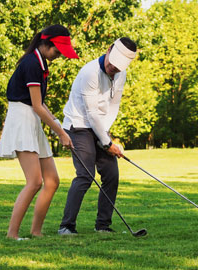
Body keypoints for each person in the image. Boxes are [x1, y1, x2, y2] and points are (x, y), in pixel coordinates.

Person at [0, 24, 77, 240]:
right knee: (35, 181)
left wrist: (58, 125)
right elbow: (36, 105)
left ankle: (36, 232)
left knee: (52, 181)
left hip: (31, 118)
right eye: (58, 50)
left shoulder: (41, 63)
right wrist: (60, 133)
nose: (59, 55)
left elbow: (40, 105)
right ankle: (12, 234)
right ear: (45, 44)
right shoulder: (32, 63)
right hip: (22, 120)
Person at [58, 37, 137, 235]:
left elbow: (113, 106)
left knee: (111, 174)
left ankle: (103, 226)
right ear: (109, 49)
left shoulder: (121, 74)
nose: (113, 68)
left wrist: (106, 138)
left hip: (100, 126)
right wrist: (107, 142)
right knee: (85, 175)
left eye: (118, 67)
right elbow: (91, 113)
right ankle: (66, 226)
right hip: (78, 125)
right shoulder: (89, 72)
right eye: (112, 64)